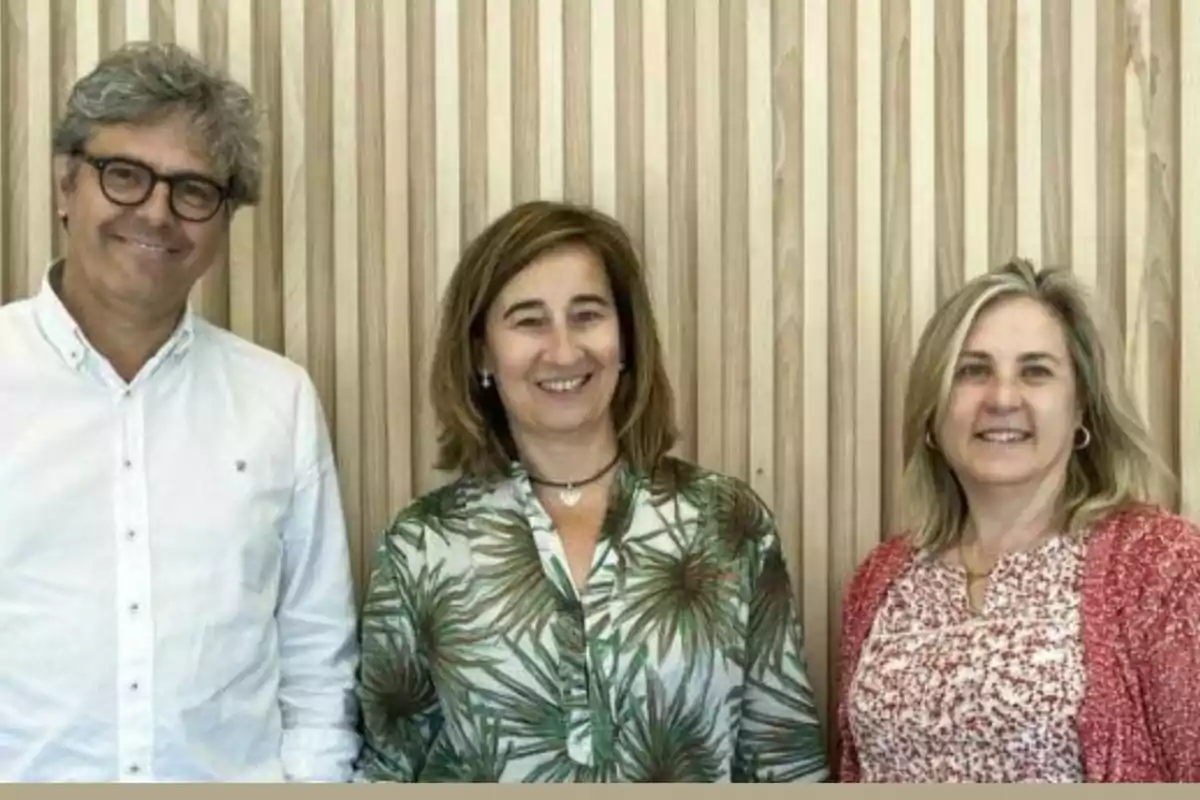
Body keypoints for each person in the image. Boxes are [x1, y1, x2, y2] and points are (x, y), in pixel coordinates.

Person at [355, 200, 829, 782]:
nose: (563, 350)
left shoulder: (727, 523)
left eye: (587, 315)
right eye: (529, 320)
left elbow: (785, 760)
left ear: (625, 339)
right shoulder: (421, 545)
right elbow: (388, 765)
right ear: (482, 351)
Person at [0, 42, 360, 781]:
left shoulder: (278, 399)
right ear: (66, 185)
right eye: (125, 175)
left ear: (222, 222)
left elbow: (317, 661)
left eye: (193, 190)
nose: (157, 212)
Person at [834, 258, 1200, 782]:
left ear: (1081, 410)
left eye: (1036, 371)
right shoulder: (880, 578)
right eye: (972, 370)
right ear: (934, 412)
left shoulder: (1164, 566)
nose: (1002, 397)